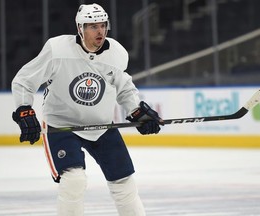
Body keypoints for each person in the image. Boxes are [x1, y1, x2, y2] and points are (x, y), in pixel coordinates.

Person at [11, 3, 164, 216]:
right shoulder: (57, 49)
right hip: (62, 126)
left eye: (103, 25)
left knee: (124, 182)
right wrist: (24, 109)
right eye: (93, 26)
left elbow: (125, 88)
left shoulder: (116, 53)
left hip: (101, 127)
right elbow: (24, 80)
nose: (100, 31)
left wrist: (136, 110)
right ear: (80, 28)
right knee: (74, 180)